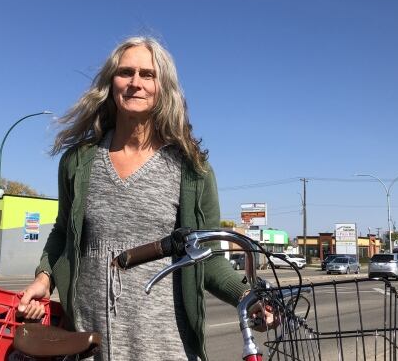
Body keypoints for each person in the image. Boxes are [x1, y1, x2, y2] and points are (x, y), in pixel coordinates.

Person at [17, 37, 269, 361]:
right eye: (126, 72)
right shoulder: (79, 162)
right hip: (88, 344)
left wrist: (246, 296)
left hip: (166, 347)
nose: (135, 83)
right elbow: (64, 233)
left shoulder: (192, 169)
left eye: (147, 74)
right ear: (112, 83)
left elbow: (207, 257)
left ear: (162, 87)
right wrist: (44, 277)